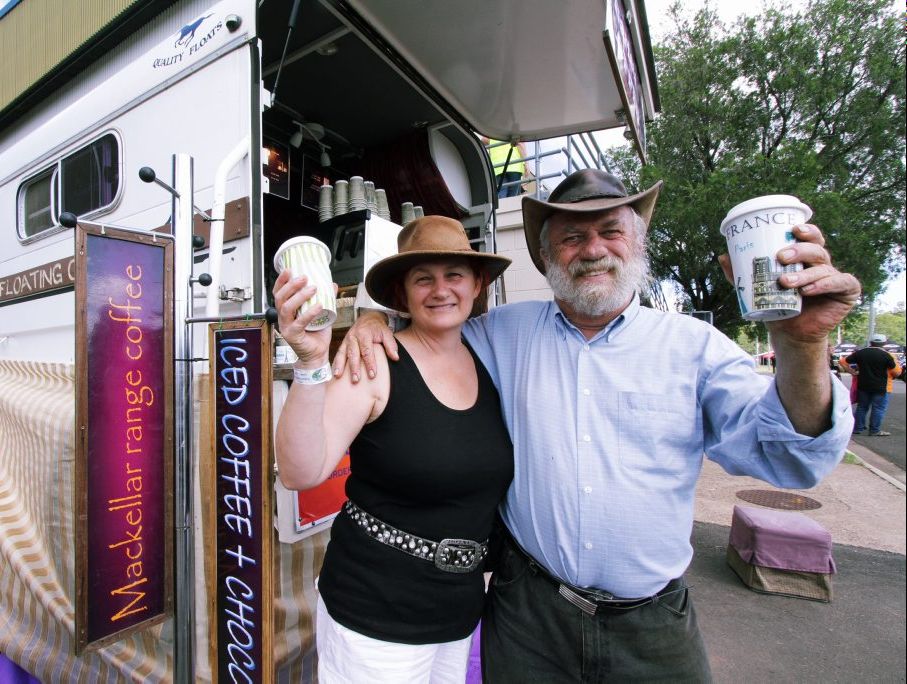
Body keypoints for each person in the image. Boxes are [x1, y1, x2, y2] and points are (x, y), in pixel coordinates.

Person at [335, 169, 860, 681]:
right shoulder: (498, 334)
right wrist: (375, 320)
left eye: (610, 231)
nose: (592, 250)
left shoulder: (694, 348)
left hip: (653, 625)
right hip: (528, 616)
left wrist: (804, 346)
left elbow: (792, 457)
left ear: (639, 243)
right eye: (572, 237)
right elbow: (431, 324)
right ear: (545, 257)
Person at [273, 216, 514, 682]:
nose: (440, 290)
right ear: (403, 294)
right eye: (423, 278)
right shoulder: (375, 361)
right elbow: (300, 472)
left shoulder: (491, 357)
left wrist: (370, 316)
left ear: (477, 284)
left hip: (458, 612)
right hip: (375, 617)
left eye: (454, 275)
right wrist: (310, 361)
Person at [839, 333, 901, 436]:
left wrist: (852, 372)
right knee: (878, 408)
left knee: (862, 407)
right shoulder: (887, 355)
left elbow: (842, 361)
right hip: (881, 386)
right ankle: (874, 430)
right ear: (884, 343)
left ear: (870, 342)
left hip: (863, 385)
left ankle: (858, 428)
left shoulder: (861, 353)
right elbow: (896, 372)